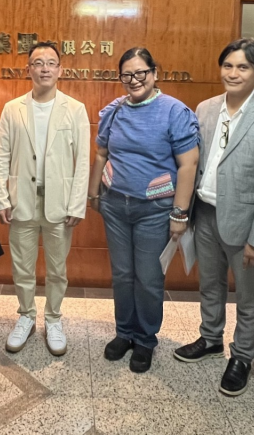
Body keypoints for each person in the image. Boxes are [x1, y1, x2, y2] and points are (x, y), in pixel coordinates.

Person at [172, 38, 254, 396]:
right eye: (228, 65)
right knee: (210, 284)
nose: (233, 73)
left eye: (243, 67)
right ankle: (211, 338)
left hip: (246, 222)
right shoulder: (205, 108)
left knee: (249, 295)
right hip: (206, 213)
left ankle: (242, 356)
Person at [87, 47, 199, 374]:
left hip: (156, 209)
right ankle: (124, 332)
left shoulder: (174, 111)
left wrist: (180, 214)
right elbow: (101, 154)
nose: (134, 80)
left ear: (154, 73)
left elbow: (188, 164)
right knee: (122, 274)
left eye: (141, 73)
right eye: (127, 74)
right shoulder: (114, 111)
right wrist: (93, 193)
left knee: (148, 277)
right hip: (115, 205)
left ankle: (146, 339)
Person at [0, 42, 90, 356]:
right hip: (21, 200)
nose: (44, 68)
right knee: (22, 267)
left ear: (60, 70)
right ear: (29, 70)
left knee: (57, 269)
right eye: (38, 63)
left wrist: (77, 204)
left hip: (59, 203)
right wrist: (1, 198)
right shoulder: (13, 108)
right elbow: (0, 156)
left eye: (51, 62)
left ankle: (53, 319)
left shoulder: (74, 108)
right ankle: (26, 316)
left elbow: (83, 160)